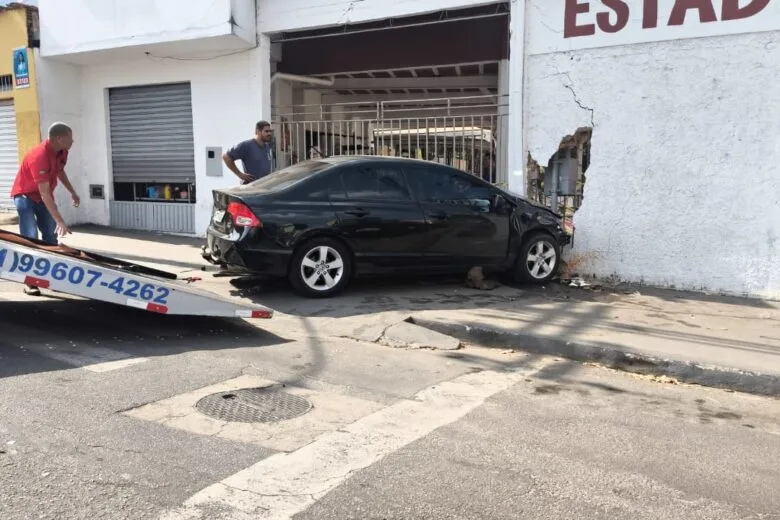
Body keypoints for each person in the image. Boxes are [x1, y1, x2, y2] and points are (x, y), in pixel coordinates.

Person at [10, 122, 80, 295]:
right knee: (30, 237)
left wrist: (72, 192)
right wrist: (60, 220)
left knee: (50, 235)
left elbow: (60, 172)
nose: (73, 141)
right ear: (59, 138)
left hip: (43, 195)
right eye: (70, 138)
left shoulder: (62, 151)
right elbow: (44, 193)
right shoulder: (38, 156)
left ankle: (50, 277)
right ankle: (29, 282)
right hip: (25, 195)